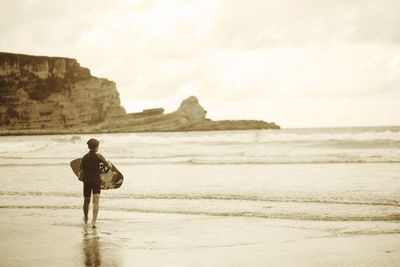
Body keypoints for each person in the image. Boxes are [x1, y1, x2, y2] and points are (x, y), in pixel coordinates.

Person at [79, 138, 111, 228]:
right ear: (97, 147)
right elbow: (108, 167)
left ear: (88, 147)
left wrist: (80, 177)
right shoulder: (99, 156)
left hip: (87, 181)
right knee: (96, 201)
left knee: (86, 201)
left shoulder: (84, 158)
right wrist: (110, 165)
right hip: (96, 181)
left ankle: (85, 218)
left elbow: (81, 172)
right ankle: (94, 222)